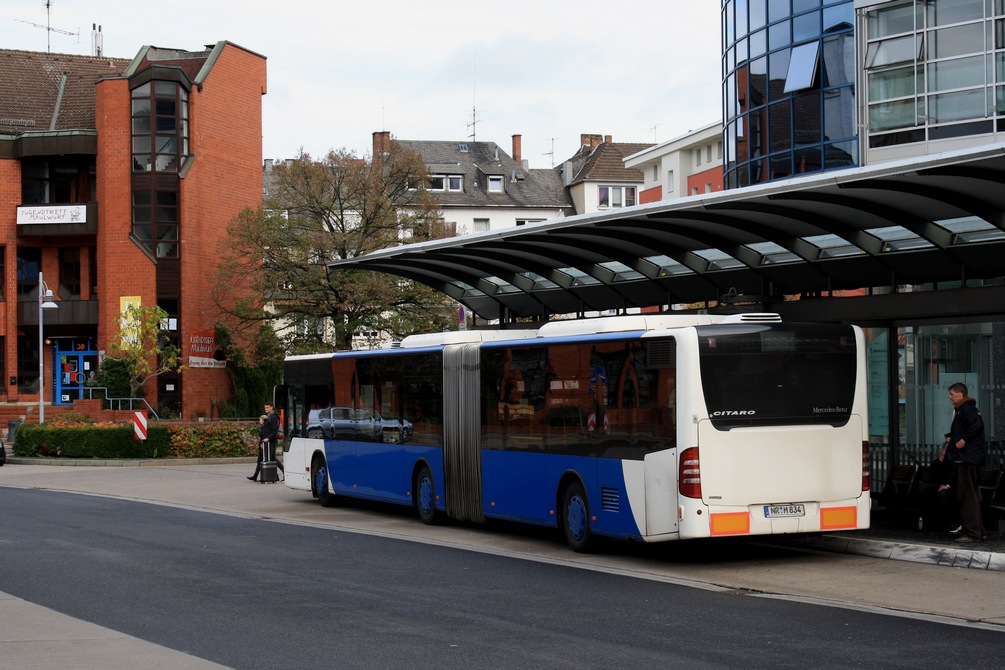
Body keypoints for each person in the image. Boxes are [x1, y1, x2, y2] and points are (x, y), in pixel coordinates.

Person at [945, 382, 986, 543]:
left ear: (960, 394)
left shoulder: (967, 410)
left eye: (952, 394)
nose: (950, 397)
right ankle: (978, 530)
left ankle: (972, 532)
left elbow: (977, 426)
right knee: (971, 496)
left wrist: (963, 441)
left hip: (967, 459)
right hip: (967, 458)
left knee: (967, 497)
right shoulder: (963, 410)